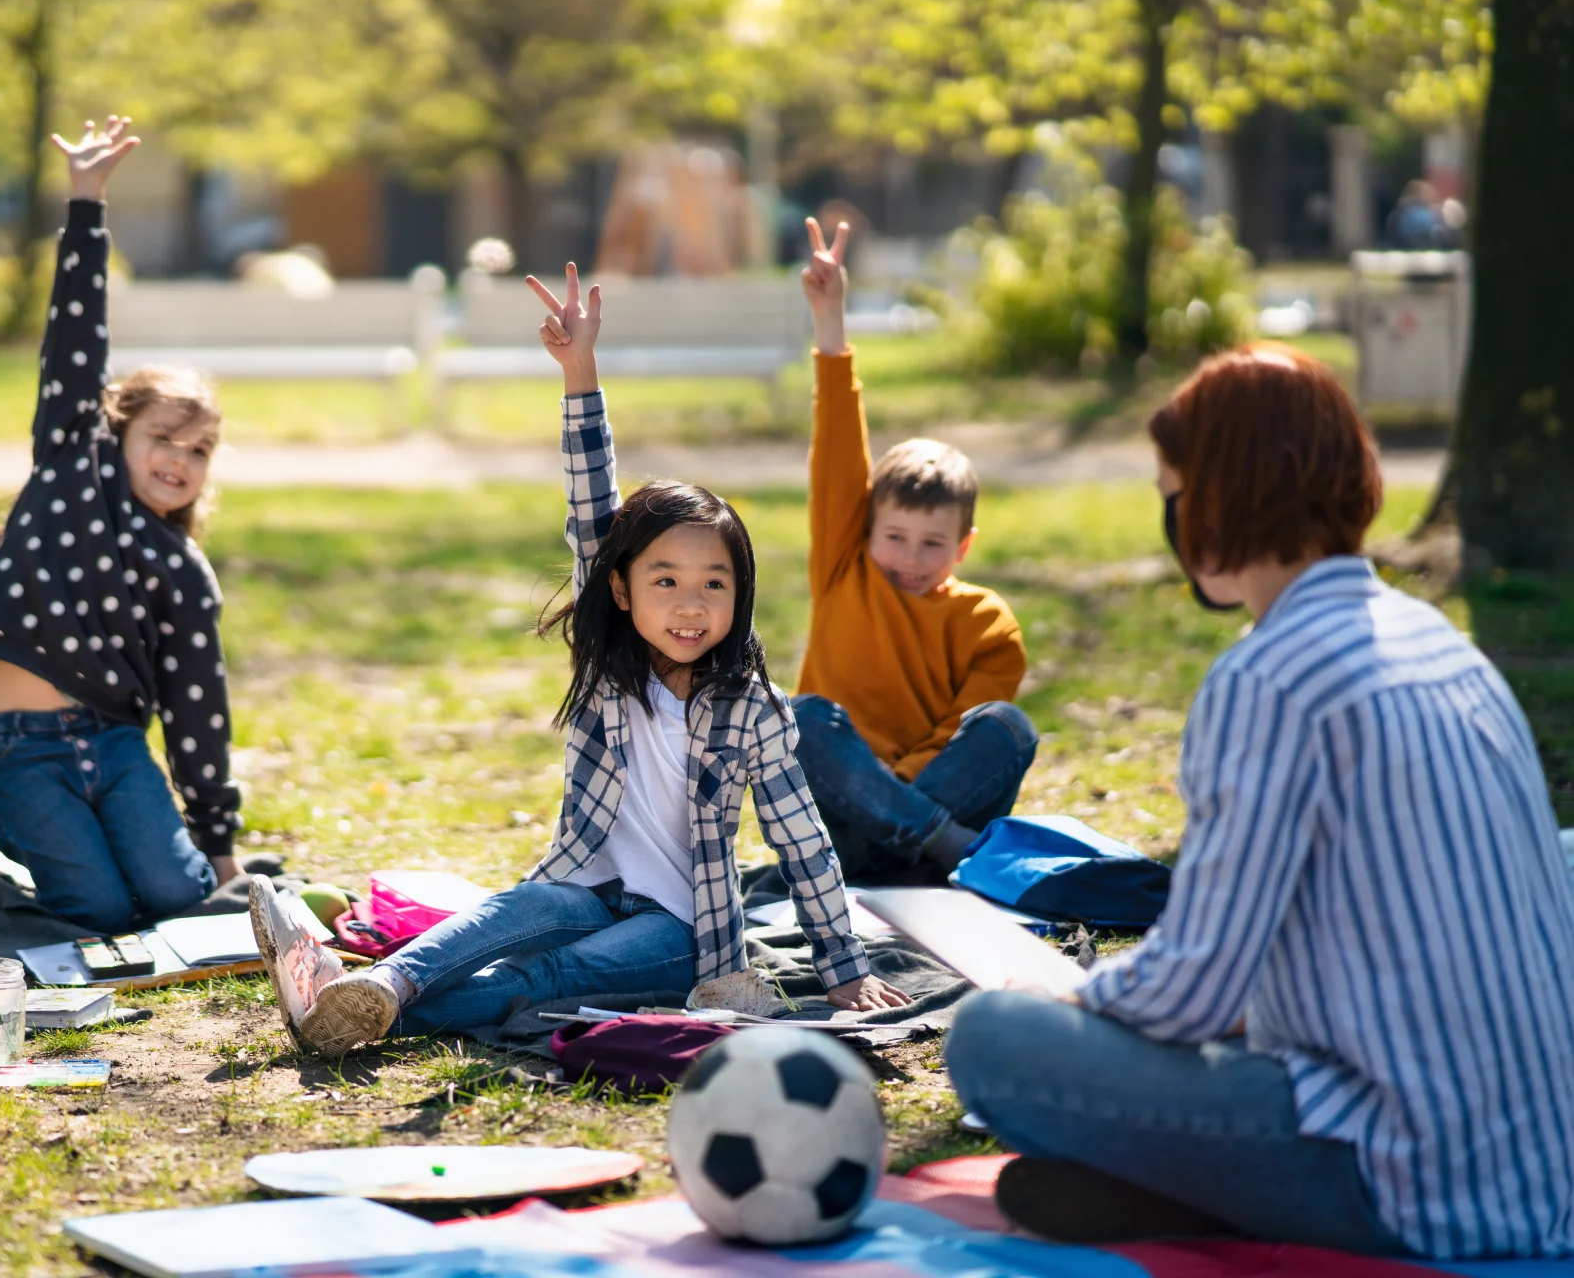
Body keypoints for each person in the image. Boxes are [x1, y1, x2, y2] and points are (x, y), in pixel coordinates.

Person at [946, 344, 1574, 1258]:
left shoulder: (1269, 679)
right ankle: (1187, 1190)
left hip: (1411, 1177)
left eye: (1173, 492)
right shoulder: (1435, 637)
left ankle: (1194, 1191)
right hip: (1541, 1166)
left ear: (1216, 497)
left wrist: (1072, 997)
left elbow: (1195, 988)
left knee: (995, 1038)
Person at [252, 263, 908, 1058]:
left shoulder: (752, 708)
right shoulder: (610, 664)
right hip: (587, 886)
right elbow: (590, 503)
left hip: (678, 930)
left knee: (549, 975)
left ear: (741, 596)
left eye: (714, 584)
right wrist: (579, 374)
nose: (691, 605)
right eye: (665, 581)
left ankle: (338, 1012)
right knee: (507, 917)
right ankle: (381, 985)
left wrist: (843, 967)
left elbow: (801, 840)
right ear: (625, 591)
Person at [0, 116, 243, 936]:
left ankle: (131, 858)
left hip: (113, 746)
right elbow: (73, 337)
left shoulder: (183, 569)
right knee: (97, 910)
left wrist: (222, 850)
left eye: (200, 449)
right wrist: (86, 205)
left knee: (176, 900)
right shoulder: (75, 462)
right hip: (15, 745)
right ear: (118, 431)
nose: (180, 459)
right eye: (163, 439)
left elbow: (197, 710)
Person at [788, 216, 1034, 879]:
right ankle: (927, 848)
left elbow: (960, 733)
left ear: (963, 548)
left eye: (932, 543)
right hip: (849, 818)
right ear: (865, 531)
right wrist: (831, 326)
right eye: (894, 536)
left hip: (918, 809)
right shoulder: (845, 568)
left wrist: (892, 800)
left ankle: (900, 849)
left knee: (1008, 727)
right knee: (799, 718)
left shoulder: (988, 624)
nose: (909, 556)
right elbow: (838, 453)